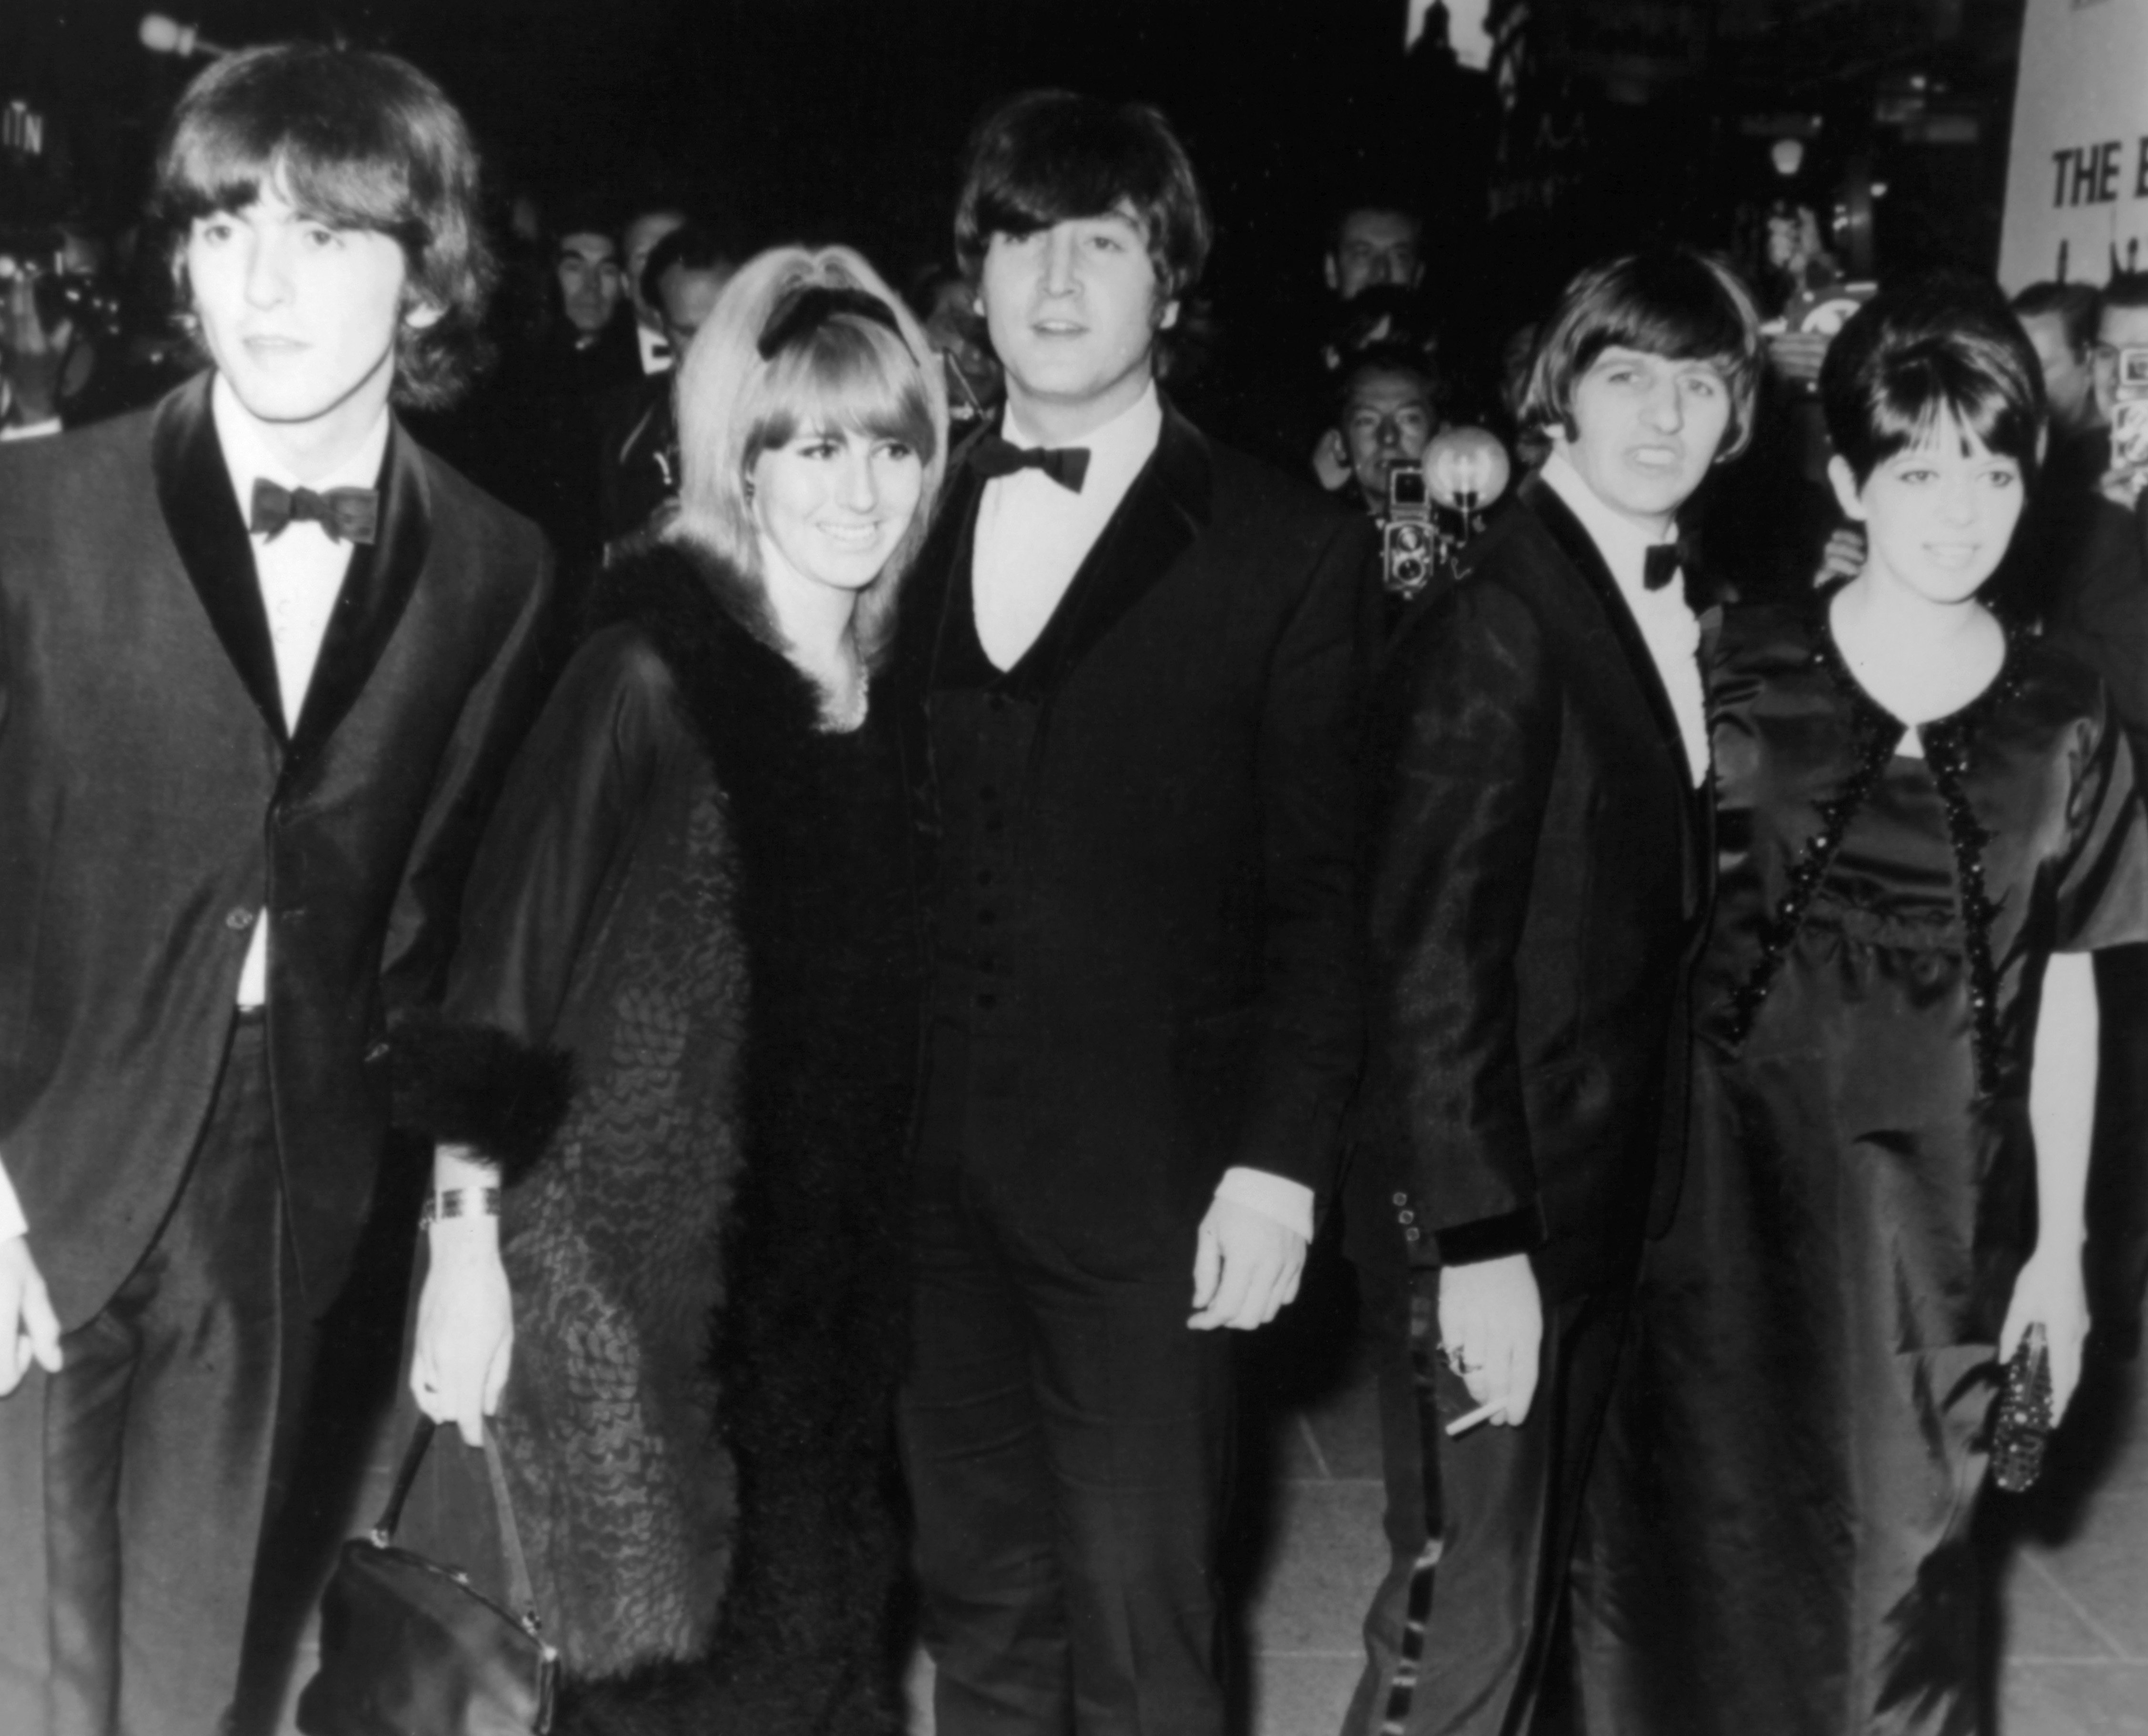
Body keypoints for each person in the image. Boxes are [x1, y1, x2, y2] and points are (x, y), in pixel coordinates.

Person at [0, 42, 553, 1736]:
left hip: (282, 1193)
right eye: (228, 227)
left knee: (188, 1672)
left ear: (428, 269)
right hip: (35, 1159)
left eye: (323, 237)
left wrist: (466, 1232)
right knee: (28, 1669)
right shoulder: (33, 514)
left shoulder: (495, 567)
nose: (262, 284)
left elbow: (446, 940)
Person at [1582, 275, 2148, 1736]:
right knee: (1677, 1578)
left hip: (1940, 1239)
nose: (1956, 508)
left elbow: (2071, 982)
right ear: (1845, 479)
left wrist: (2061, 1259)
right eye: (1915, 468)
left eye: (1989, 467)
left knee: (1897, 1593)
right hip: (1705, 1214)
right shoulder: (1734, 657)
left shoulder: (2068, 707)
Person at [391, 243, 945, 1733]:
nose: (857, 486)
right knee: (663, 1687)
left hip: (824, 1301)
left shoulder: (904, 705)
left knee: (825, 1665)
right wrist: (460, 1257)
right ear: (738, 461)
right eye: (812, 444)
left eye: (892, 445)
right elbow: (493, 995)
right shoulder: (646, 672)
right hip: (630, 1298)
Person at [892, 90, 1374, 1736]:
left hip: (1158, 1177)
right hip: (925, 1165)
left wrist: (1280, 1163)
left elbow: (1326, 890)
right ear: (976, 275)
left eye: (1101, 242)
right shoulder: (898, 510)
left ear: (1169, 283)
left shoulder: (1285, 547)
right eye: (1022, 237)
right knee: (982, 1608)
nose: (1055, 278)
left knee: (1146, 1619)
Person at [1346, 247, 1763, 1736]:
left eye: (1701, 381)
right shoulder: (1500, 610)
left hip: (1596, 1196)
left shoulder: (1670, 598)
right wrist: (1477, 1243)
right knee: (1462, 1614)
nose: (1665, 414)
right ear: (1555, 393)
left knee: (1521, 1617)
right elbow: (1430, 950)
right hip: (1490, 1210)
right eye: (1626, 375)